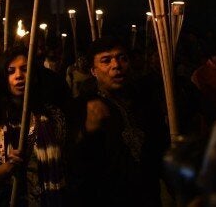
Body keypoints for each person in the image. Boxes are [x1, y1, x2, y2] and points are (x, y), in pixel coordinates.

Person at [66, 37, 167, 207]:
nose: (116, 65)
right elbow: (74, 166)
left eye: (122, 58)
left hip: (147, 197)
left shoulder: (144, 102)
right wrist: (88, 131)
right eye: (106, 61)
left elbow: (159, 150)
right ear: (93, 70)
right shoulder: (82, 107)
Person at [0, 47, 67, 206]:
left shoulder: (53, 116)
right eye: (11, 71)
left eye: (25, 69)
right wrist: (8, 167)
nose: (19, 76)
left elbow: (65, 164)